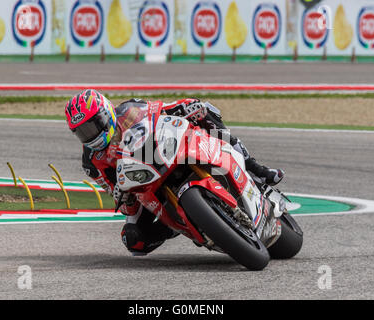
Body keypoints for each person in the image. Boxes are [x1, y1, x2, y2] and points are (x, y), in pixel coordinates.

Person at [65, 89, 284, 256]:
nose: (90, 135)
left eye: (93, 126)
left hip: (163, 152)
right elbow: (118, 197)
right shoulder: (91, 162)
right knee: (134, 242)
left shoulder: (129, 110)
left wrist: (186, 107)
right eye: (82, 132)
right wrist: (121, 197)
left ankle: (256, 169)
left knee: (205, 113)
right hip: (144, 184)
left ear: (106, 114)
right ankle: (178, 226)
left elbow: (164, 108)